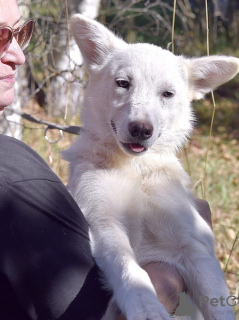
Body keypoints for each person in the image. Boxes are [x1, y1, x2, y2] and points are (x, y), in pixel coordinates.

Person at [0, 1, 212, 319]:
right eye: (1, 36)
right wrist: (168, 276)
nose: (20, 55)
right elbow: (85, 309)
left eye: (22, 32)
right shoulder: (11, 171)